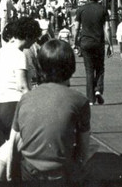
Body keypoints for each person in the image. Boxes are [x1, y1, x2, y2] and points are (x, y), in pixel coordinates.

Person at [6, 40, 91, 182]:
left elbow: (13, 142)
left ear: (40, 67)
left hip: (29, 171)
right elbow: (84, 148)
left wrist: (9, 175)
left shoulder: (26, 98)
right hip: (61, 173)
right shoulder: (79, 100)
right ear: (71, 67)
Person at [0, 18, 40, 139]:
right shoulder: (19, 55)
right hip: (14, 105)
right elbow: (21, 86)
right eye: (34, 38)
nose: (34, 42)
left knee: (9, 146)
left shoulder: (3, 50)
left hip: (1, 104)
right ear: (28, 36)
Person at [72, 0, 112, 105]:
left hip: (85, 42)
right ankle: (98, 89)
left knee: (89, 70)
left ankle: (90, 98)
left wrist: (75, 42)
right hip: (98, 42)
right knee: (100, 67)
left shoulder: (81, 10)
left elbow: (76, 27)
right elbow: (108, 28)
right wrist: (109, 44)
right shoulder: (103, 9)